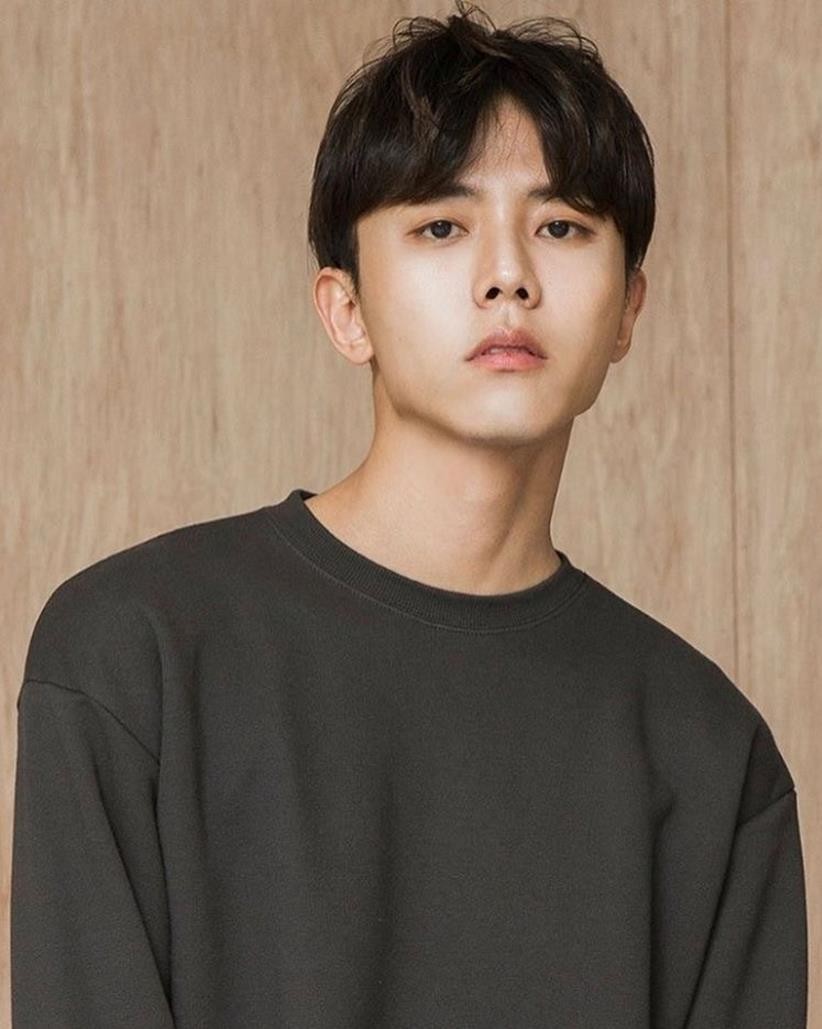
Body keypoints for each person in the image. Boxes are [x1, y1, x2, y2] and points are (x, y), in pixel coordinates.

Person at [11, 2, 807, 1026]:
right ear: (346, 311)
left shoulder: (709, 755)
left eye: (562, 227)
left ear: (628, 312)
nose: (509, 276)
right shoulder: (137, 658)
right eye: (441, 225)